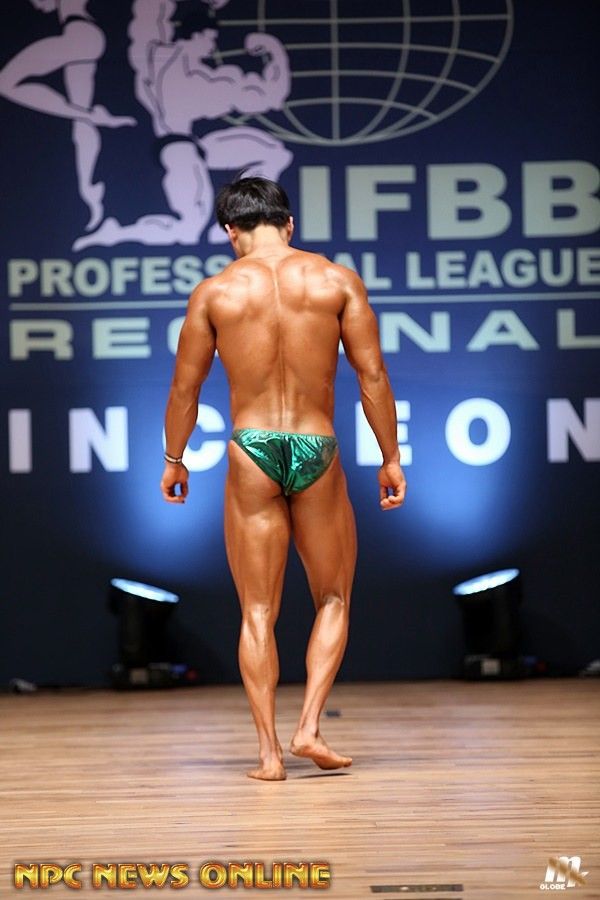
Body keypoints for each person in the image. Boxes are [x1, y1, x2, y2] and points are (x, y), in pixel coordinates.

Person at [160, 177, 406, 781]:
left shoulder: (215, 293)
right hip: (316, 444)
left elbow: (185, 389)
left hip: (252, 449)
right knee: (334, 597)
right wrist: (390, 456)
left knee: (256, 611)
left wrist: (174, 458)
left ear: (230, 232)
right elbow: (372, 376)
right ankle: (309, 727)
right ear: (289, 224)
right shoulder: (335, 281)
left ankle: (270, 755)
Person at [74, 0, 291, 250]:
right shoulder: (158, 58)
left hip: (197, 145)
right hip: (178, 149)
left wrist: (274, 52)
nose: (212, 47)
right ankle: (115, 233)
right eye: (210, 39)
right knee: (189, 227)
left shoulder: (203, 77)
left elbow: (268, 95)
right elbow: (149, 15)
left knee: (275, 153)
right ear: (197, 35)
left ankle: (243, 218)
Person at [0, 0, 135, 231]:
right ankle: (88, 190)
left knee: (5, 82)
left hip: (81, 36)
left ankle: (93, 117)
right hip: (85, 37)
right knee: (81, 122)